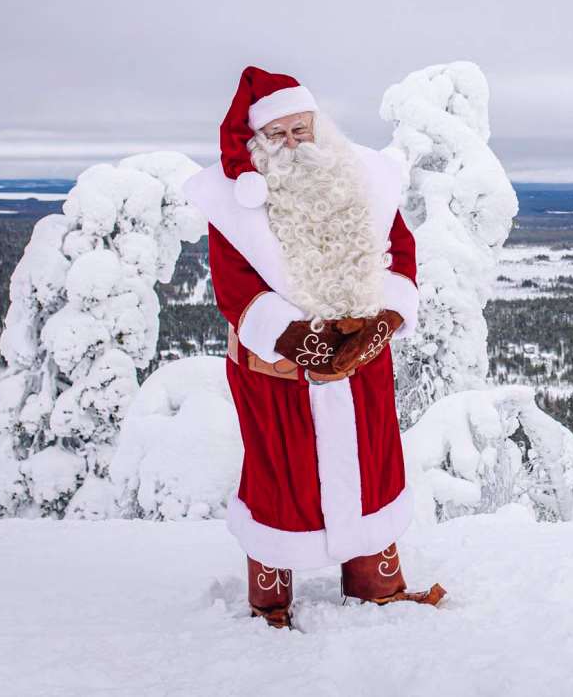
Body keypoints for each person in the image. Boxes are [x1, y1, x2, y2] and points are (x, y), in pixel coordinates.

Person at [183, 66, 445, 628]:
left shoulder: (366, 178)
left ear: (318, 125)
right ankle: (270, 596)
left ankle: (376, 579)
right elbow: (235, 288)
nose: (294, 143)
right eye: (278, 135)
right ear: (257, 143)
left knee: (371, 465)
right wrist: (297, 338)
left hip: (362, 362)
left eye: (301, 129)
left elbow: (399, 252)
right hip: (276, 370)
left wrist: (383, 321)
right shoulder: (234, 205)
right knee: (282, 474)